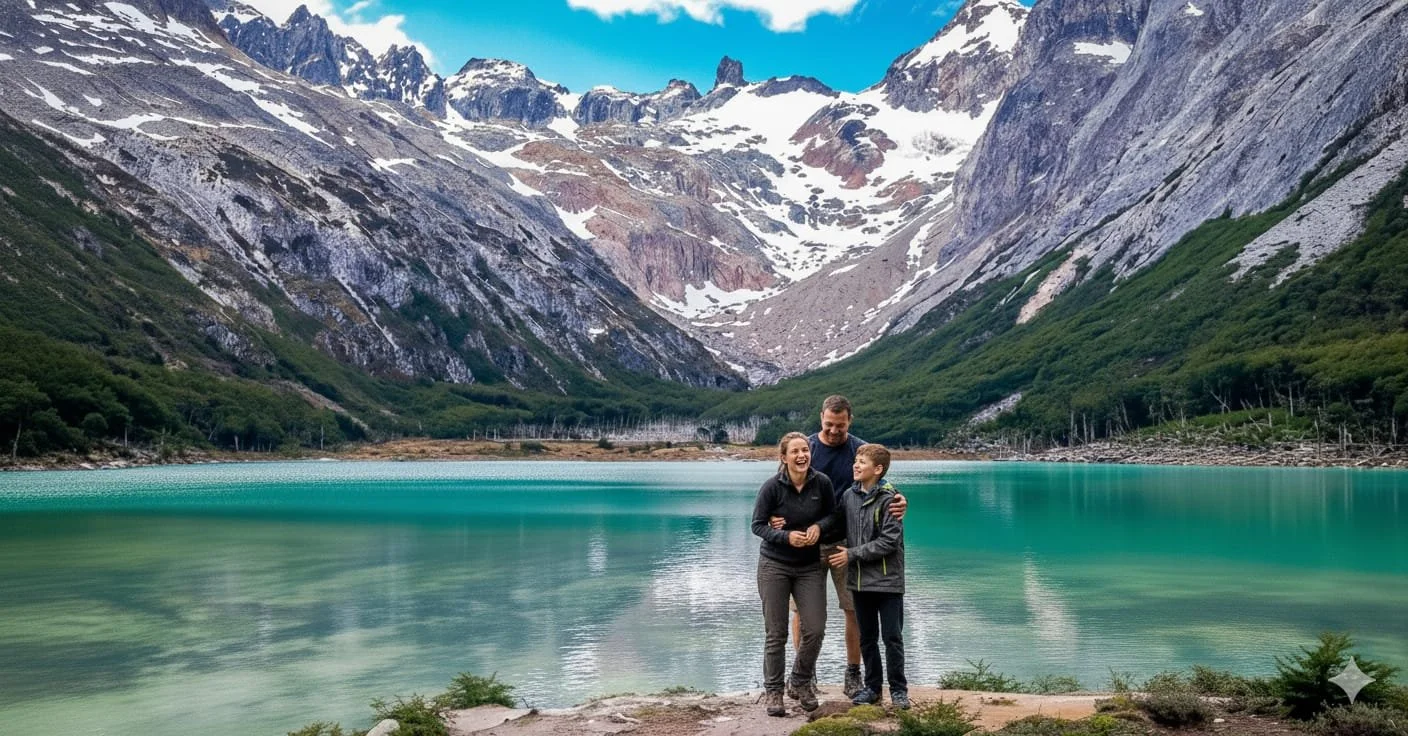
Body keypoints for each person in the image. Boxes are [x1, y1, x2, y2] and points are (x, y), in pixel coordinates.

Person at [772, 395, 906, 698]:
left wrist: (900, 499)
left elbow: (880, 485)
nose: (834, 431)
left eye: (840, 426)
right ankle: (805, 675)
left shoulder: (859, 450)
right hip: (806, 543)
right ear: (821, 418)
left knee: (853, 610)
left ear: (850, 421)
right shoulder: (805, 448)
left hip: (847, 544)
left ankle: (853, 674)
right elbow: (780, 485)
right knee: (802, 613)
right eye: (829, 424)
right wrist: (772, 514)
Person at [750, 432, 833, 716]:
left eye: (805, 450)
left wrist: (819, 527)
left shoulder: (822, 483)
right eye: (795, 452)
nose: (802, 456)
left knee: (816, 629)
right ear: (783, 457)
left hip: (809, 566)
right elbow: (758, 526)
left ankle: (798, 681)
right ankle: (774, 692)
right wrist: (785, 537)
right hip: (774, 564)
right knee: (776, 633)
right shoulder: (772, 487)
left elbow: (832, 515)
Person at [827, 443, 909, 709]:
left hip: (887, 582)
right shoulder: (849, 496)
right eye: (856, 460)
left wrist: (851, 554)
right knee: (867, 638)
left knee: (892, 637)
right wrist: (803, 528)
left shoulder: (891, 499)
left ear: (878, 469)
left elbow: (889, 543)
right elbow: (835, 523)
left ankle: (899, 691)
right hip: (860, 582)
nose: (856, 465)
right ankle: (873, 688)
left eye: (862, 462)